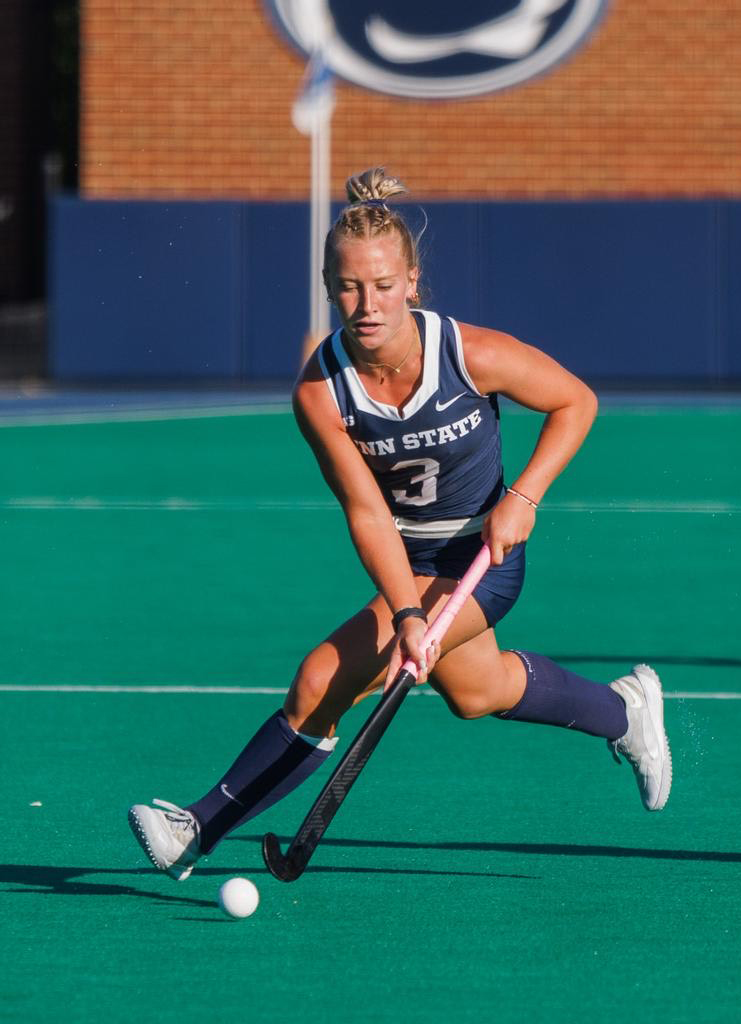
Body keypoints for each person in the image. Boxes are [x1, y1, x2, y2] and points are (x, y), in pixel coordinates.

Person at [128, 167, 672, 880]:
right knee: (477, 694)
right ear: (330, 288)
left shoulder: (471, 354)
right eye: (350, 287)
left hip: (484, 558)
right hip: (410, 562)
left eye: (383, 286)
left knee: (323, 677)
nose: (367, 304)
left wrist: (525, 497)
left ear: (412, 282)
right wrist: (410, 612)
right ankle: (622, 712)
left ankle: (195, 828)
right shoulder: (322, 392)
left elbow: (576, 401)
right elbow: (367, 512)